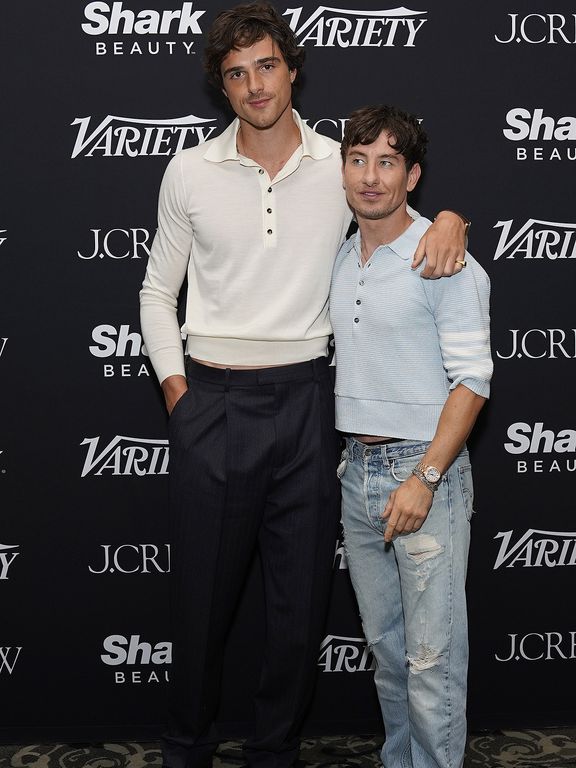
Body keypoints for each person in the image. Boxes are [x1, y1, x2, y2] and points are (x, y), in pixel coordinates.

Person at [139, 3, 470, 767]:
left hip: (308, 404)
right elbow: (158, 291)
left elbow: (401, 213)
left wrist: (451, 215)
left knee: (298, 612)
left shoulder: (338, 165)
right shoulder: (189, 169)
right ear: (221, 88)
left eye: (266, 65)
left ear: (292, 68)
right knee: (199, 609)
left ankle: (273, 753)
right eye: (235, 73)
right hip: (212, 402)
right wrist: (177, 392)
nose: (254, 85)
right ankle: (184, 750)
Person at [330, 104, 493, 768]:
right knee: (391, 657)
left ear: (413, 174)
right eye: (359, 160)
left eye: (388, 162)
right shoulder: (339, 254)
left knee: (431, 665)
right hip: (356, 471)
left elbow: (473, 381)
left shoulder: (442, 258)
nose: (371, 177)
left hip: (424, 474)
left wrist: (424, 479)